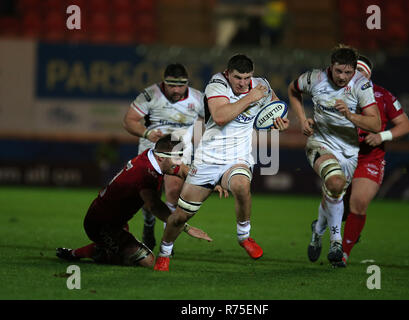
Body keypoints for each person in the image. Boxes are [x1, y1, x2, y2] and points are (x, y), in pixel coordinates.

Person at [153, 53, 290, 271]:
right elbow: (220, 116)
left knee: (241, 185)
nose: (243, 83)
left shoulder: (261, 85)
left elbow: (273, 107)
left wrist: (278, 121)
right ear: (228, 74)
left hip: (238, 157)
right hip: (208, 159)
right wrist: (251, 97)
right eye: (238, 78)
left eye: (247, 78)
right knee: (180, 217)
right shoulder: (217, 85)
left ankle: (244, 236)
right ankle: (165, 251)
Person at [56, 135, 215, 267]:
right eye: (176, 159)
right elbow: (154, 206)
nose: (180, 163)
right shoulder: (144, 174)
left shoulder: (153, 157)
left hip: (115, 221)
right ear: (161, 158)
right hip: (101, 225)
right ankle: (85, 252)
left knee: (127, 254)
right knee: (147, 261)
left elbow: (181, 170)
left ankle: (102, 249)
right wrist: (184, 226)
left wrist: (209, 182)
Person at [287, 45, 381, 267]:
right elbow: (293, 90)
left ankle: (318, 229)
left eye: (348, 73)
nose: (343, 77)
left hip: (349, 150)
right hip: (320, 142)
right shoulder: (314, 78)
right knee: (335, 182)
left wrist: (350, 115)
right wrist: (302, 119)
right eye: (339, 71)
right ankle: (336, 241)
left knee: (334, 190)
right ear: (331, 66)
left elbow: (375, 124)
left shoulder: (361, 85)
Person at [122, 63, 204, 251]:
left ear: (187, 83)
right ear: (163, 83)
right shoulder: (150, 95)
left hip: (179, 153)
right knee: (149, 197)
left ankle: (168, 240)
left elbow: (214, 119)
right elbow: (129, 120)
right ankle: (149, 225)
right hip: (152, 152)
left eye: (180, 85)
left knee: (174, 192)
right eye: (171, 85)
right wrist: (146, 133)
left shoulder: (198, 98)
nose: (176, 90)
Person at [341, 55, 409, 266]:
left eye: (360, 73)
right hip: (342, 154)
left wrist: (382, 136)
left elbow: (405, 125)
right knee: (337, 198)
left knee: (359, 202)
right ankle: (332, 226)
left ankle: (343, 253)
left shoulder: (382, 95)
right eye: (353, 72)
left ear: (368, 76)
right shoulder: (336, 93)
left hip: (370, 156)